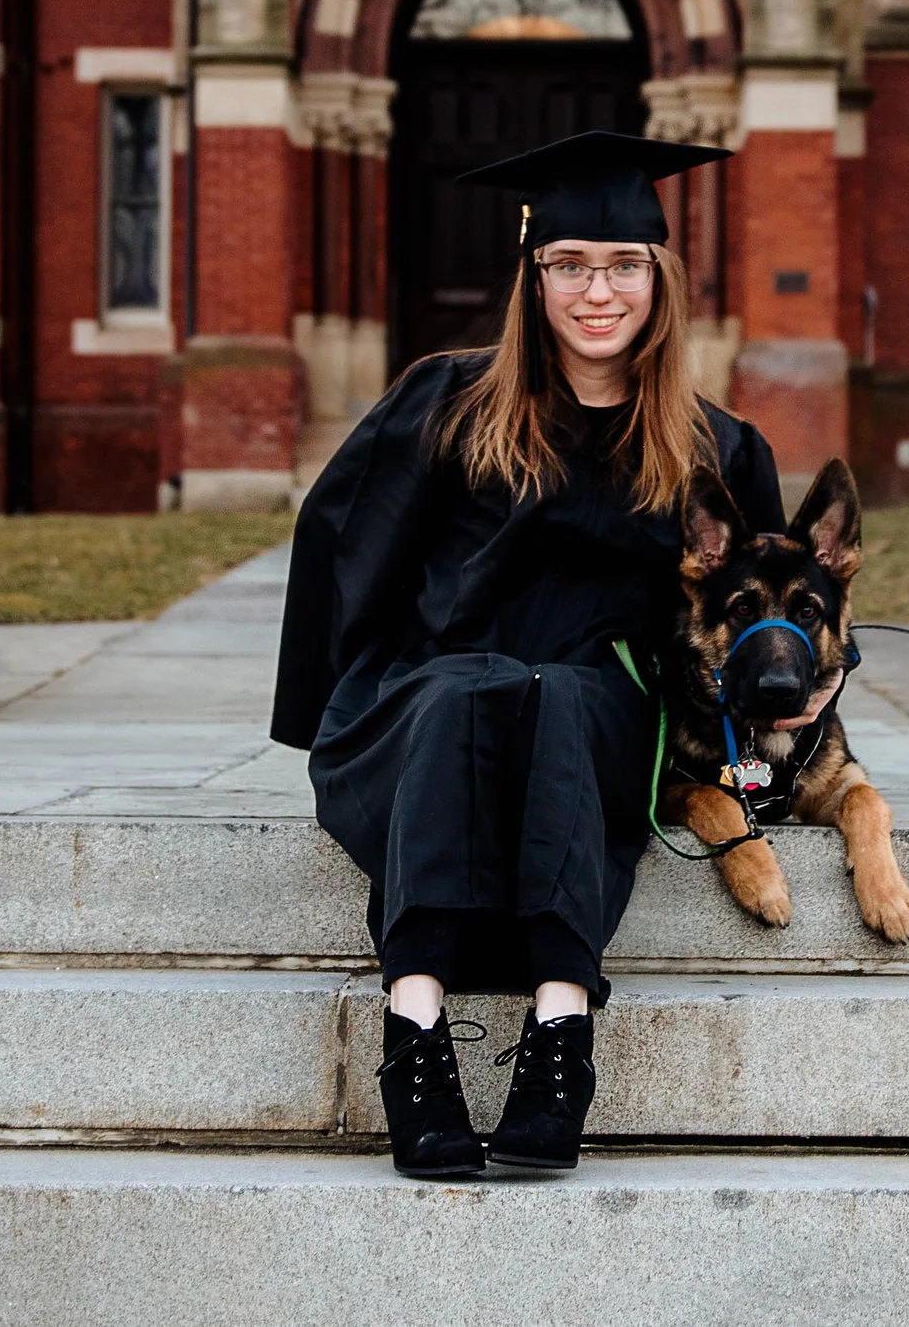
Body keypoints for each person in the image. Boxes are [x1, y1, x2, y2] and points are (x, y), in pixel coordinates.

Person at [272, 130, 790, 1178]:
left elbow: (764, 610)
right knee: (475, 688)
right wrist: (334, 710)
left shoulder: (717, 449)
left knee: (556, 695)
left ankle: (560, 1035)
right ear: (533, 272)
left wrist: (780, 719)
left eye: (623, 264)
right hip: (438, 701)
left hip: (597, 714)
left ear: (660, 275)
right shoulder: (448, 401)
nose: (597, 291)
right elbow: (345, 549)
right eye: (569, 264)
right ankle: (414, 1029)